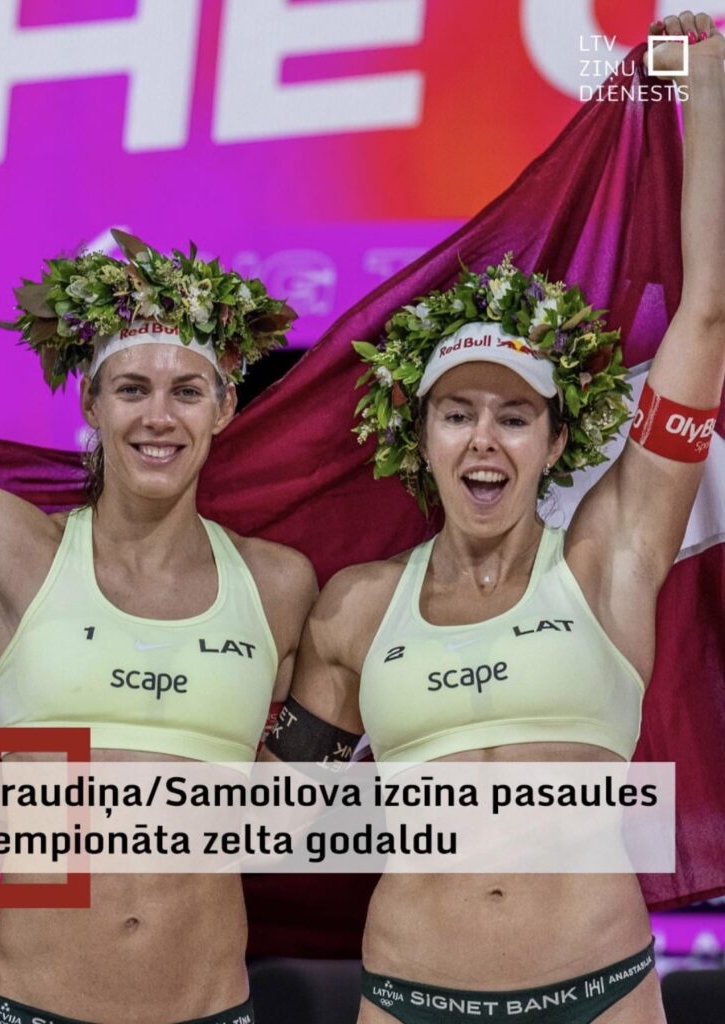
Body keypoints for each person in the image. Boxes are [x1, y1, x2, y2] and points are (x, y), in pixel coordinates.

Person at [265, 12, 724, 1023]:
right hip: (405, 996)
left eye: (514, 416)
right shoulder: (355, 608)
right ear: (417, 438)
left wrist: (704, 81)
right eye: (456, 413)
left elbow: (703, 314)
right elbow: (278, 805)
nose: (484, 441)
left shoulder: (612, 556)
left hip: (596, 992)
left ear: (556, 442)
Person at [0, 230, 317, 1024]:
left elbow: (285, 804)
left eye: (187, 390)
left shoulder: (277, 584)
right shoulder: (13, 548)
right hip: (24, 1007)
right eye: (131, 388)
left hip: (209, 1010)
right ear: (91, 403)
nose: (158, 417)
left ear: (226, 405)